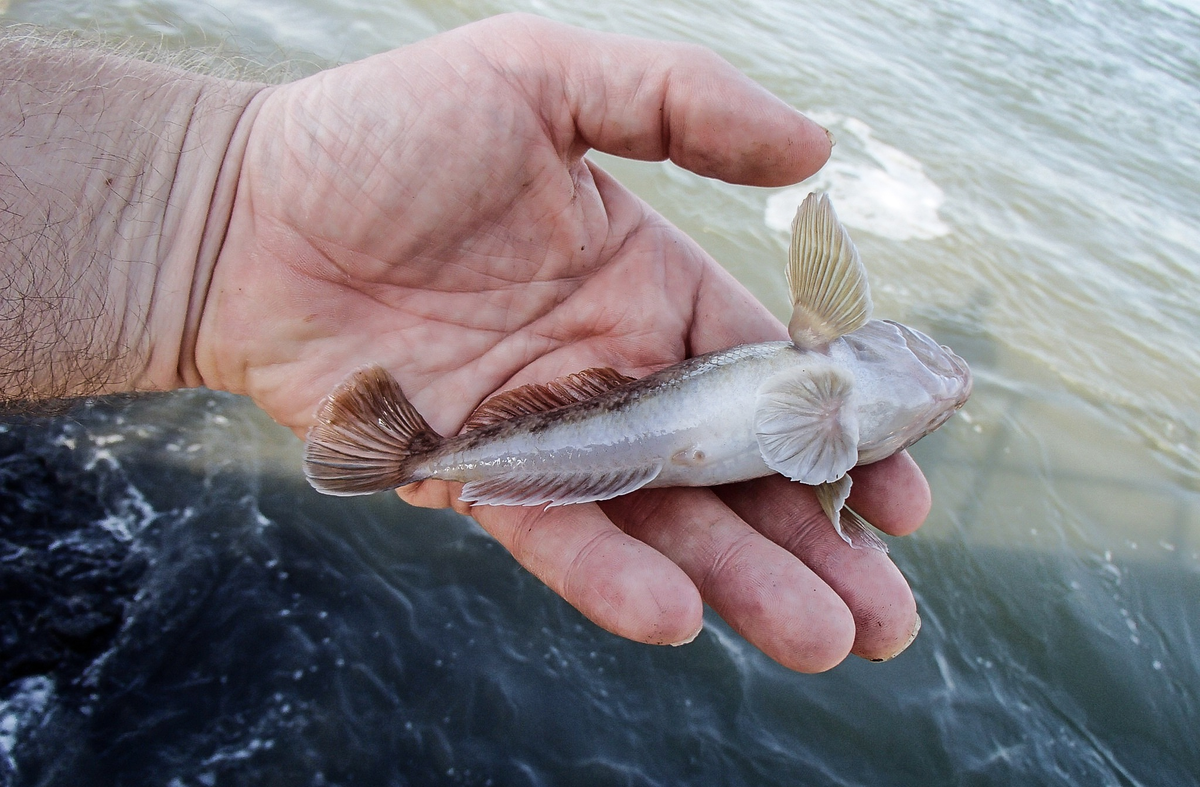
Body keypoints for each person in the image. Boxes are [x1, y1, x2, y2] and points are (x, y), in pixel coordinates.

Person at [0, 13, 931, 673]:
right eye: (920, 358)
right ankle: (423, 450)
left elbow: (812, 449)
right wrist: (220, 201)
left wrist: (210, 207)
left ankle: (426, 451)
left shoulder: (830, 424)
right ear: (845, 342)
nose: (941, 379)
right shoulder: (817, 359)